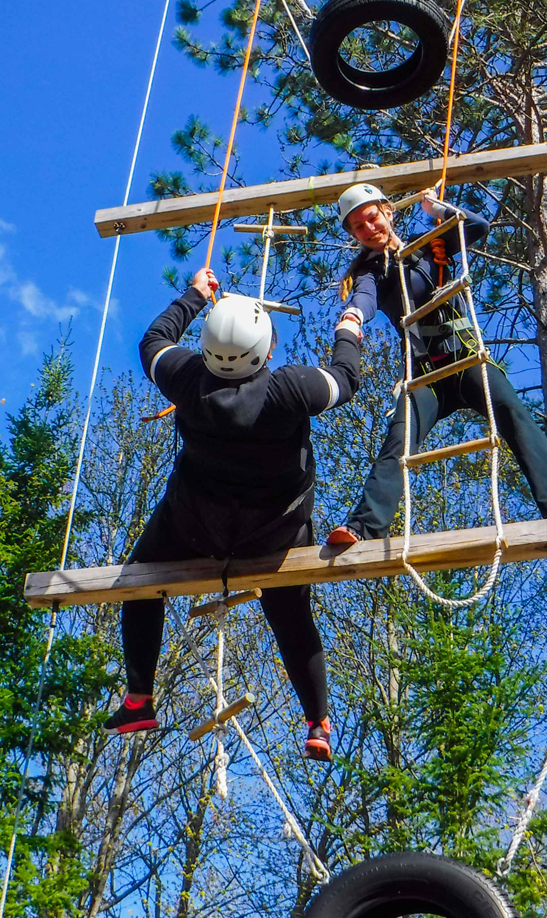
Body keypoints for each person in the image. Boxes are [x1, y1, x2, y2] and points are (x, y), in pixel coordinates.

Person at [105, 268, 362, 761]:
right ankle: (317, 721)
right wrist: (348, 329)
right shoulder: (290, 389)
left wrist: (195, 295)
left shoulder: (185, 379)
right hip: (274, 533)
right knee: (290, 613)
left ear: (205, 350)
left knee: (139, 581)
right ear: (266, 352)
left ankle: (139, 697)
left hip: (196, 527)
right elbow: (345, 378)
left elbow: (155, 340)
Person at [326, 182, 547, 546]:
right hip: (426, 373)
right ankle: (364, 527)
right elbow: (365, 297)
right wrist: (353, 316)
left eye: (372, 218)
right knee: (399, 440)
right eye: (359, 227)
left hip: (465, 358)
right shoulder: (371, 271)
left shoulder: (432, 244)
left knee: (511, 411)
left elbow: (477, 226)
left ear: (388, 212)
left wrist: (437, 209)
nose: (369, 229)